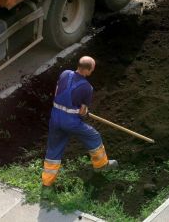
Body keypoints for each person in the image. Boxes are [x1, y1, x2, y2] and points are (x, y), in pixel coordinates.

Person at [42, 56, 118, 188]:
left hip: (55, 117)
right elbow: (83, 111)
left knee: (54, 148)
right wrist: (83, 112)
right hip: (70, 121)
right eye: (92, 70)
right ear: (88, 70)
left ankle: (47, 182)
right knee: (93, 136)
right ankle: (101, 165)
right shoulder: (87, 87)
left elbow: (58, 92)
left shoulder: (65, 73)